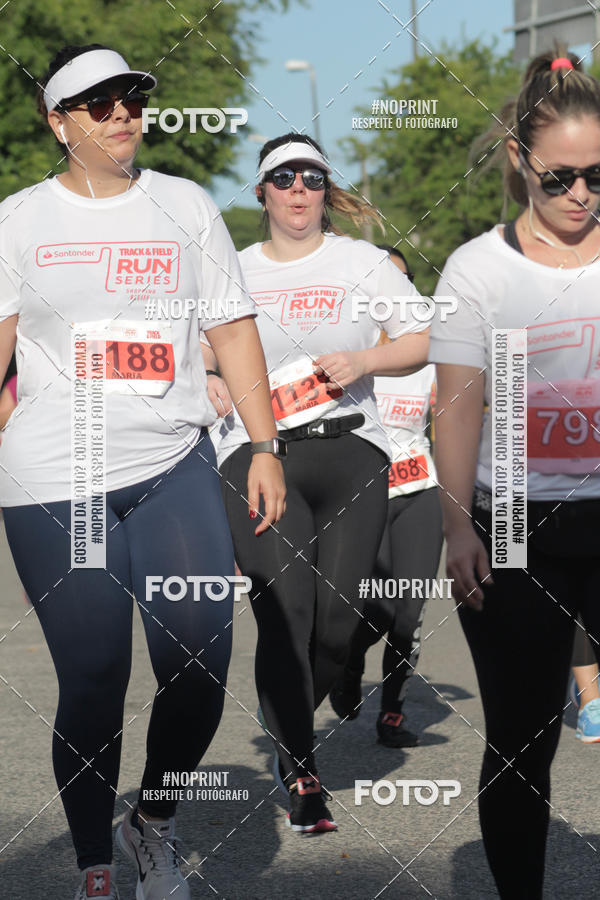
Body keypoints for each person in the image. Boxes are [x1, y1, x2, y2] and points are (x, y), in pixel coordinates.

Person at [0, 44, 284, 900]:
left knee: (201, 658)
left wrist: (267, 445)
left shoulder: (184, 205)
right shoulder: (17, 219)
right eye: (97, 102)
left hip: (173, 465)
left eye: (130, 96)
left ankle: (152, 823)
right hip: (62, 477)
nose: (121, 112)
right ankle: (94, 865)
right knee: (94, 675)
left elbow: (232, 329)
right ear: (58, 122)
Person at [204, 133, 430, 833]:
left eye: (311, 178)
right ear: (262, 190)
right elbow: (196, 350)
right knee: (286, 614)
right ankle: (300, 767)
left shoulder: (361, 263)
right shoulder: (231, 269)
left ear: (324, 190)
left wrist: (365, 357)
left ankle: (302, 705)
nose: (298, 189)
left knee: (336, 627)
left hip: (352, 456)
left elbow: (424, 337)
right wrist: (211, 377)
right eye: (283, 177)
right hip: (257, 456)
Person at [430, 49, 600, 898]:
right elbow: (456, 407)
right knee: (525, 737)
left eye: (598, 176)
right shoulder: (478, 269)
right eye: (560, 176)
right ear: (518, 159)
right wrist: (457, 523)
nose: (580, 195)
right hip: (514, 524)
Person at [329, 245, 443, 748]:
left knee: (410, 610)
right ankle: (351, 661)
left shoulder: (428, 355)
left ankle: (392, 712)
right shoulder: (339, 354)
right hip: (363, 494)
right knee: (372, 609)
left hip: (418, 491)